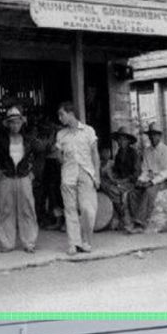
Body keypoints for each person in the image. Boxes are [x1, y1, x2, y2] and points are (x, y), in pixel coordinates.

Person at [0, 105, 39, 253]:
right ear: (8, 124)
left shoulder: (28, 139)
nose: (15, 125)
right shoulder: (0, 140)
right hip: (7, 178)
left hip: (24, 177)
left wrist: (33, 171)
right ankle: (7, 243)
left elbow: (40, 153)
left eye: (17, 122)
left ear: (22, 123)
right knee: (6, 210)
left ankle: (29, 242)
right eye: (12, 122)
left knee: (28, 209)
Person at [55, 101, 100, 254]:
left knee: (88, 209)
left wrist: (97, 175)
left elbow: (95, 154)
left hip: (86, 172)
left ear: (71, 113)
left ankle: (86, 240)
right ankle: (74, 243)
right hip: (68, 174)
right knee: (70, 209)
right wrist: (63, 161)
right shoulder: (61, 134)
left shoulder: (88, 131)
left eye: (62, 114)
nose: (60, 118)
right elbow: (58, 155)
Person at [126, 122, 167, 229]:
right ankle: (136, 219)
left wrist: (151, 182)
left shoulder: (166, 151)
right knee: (133, 193)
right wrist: (141, 180)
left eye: (155, 135)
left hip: (165, 180)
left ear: (160, 136)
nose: (152, 137)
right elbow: (145, 169)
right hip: (151, 178)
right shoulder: (147, 151)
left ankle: (140, 222)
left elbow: (165, 172)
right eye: (151, 135)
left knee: (149, 192)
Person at [100, 127, 140, 233]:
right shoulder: (118, 154)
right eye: (119, 139)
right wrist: (112, 177)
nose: (120, 142)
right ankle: (119, 215)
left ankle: (124, 217)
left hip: (130, 182)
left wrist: (123, 181)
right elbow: (117, 171)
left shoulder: (133, 153)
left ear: (128, 141)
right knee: (104, 184)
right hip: (120, 181)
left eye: (123, 139)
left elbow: (136, 173)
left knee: (114, 191)